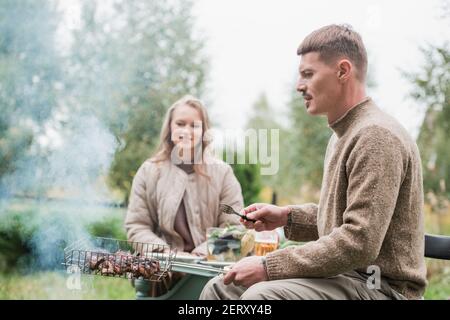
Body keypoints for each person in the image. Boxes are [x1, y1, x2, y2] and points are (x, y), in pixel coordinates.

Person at [200, 24, 427, 300]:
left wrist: (267, 266)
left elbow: (359, 242)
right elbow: (342, 219)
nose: (299, 86)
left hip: (381, 288)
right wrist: (286, 216)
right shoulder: (343, 135)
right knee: (220, 288)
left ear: (343, 71)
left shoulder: (375, 136)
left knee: (261, 297)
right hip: (347, 279)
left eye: (308, 74)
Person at [125, 95, 243, 295]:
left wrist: (208, 248)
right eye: (180, 124)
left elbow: (236, 227)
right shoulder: (149, 171)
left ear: (204, 132)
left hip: (209, 267)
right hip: (164, 270)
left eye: (195, 126)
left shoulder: (222, 172)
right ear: (170, 128)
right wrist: (164, 252)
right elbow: (137, 225)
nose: (187, 131)